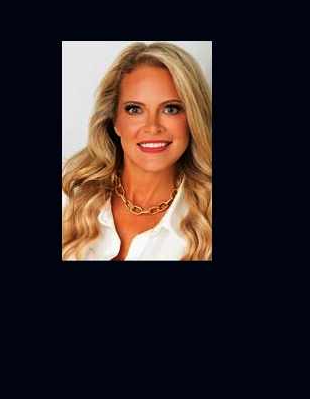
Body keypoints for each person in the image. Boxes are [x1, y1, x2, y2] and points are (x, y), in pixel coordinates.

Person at [62, 42, 212, 260]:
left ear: (193, 118)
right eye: (135, 109)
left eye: (170, 109)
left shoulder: (207, 221)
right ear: (115, 120)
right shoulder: (70, 195)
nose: (152, 127)